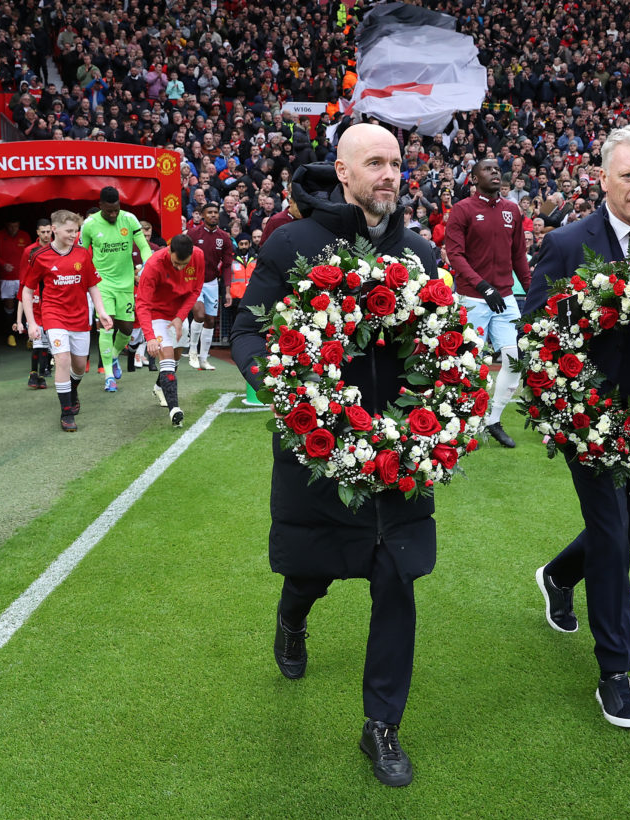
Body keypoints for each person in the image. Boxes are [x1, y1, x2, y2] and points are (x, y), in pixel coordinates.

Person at [230, 123, 438, 788]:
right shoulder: (292, 243)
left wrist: (446, 403)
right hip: (319, 450)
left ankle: (382, 726)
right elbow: (247, 327)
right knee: (313, 571)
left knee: (396, 580)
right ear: (342, 173)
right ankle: (293, 617)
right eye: (373, 162)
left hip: (401, 455)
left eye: (396, 162)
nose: (389, 173)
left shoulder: (421, 252)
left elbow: (440, 343)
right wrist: (282, 391)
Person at [522, 124, 630, 730]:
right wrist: (570, 399)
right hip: (586, 414)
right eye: (629, 175)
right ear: (602, 178)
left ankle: (558, 574)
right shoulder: (569, 241)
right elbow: (534, 325)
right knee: (611, 530)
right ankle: (615, 673)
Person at [443, 157, 530, 448]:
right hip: (473, 298)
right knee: (468, 364)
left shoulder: (512, 210)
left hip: (505, 298)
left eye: (497, 169)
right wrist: (482, 285)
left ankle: (493, 420)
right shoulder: (462, 209)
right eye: (488, 169)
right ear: (473, 178)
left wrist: (531, 291)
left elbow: (519, 256)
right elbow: (455, 255)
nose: (495, 172)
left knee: (514, 359)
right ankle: (463, 421)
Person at [22, 210, 113, 431]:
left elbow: (92, 285)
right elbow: (27, 290)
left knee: (79, 366)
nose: (74, 235)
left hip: (80, 316)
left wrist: (101, 311)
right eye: (69, 231)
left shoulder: (83, 254)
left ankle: (72, 389)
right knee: (62, 360)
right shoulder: (39, 256)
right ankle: (66, 412)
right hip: (53, 315)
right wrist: (32, 322)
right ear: (54, 229)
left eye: (76, 231)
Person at [79, 187, 152, 391]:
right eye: (109, 211)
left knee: (127, 330)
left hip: (126, 283)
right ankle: (109, 377)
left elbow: (144, 246)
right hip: (102, 283)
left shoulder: (129, 219)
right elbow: (82, 254)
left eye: (116, 210)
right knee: (106, 325)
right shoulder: (90, 225)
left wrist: (147, 265)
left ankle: (112, 356)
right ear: (100, 206)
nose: (113, 214)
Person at [135, 233, 205, 427]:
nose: (180, 268)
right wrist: (149, 337)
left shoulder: (199, 256)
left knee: (174, 358)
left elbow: (195, 290)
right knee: (165, 355)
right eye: (176, 264)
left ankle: (159, 387)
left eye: (184, 264)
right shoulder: (153, 264)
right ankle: (175, 409)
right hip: (157, 313)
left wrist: (180, 317)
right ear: (169, 251)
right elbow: (142, 303)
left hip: (177, 314)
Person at [185, 201, 232, 371]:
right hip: (194, 281)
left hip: (212, 282)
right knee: (199, 314)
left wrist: (227, 290)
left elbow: (227, 265)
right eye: (210, 212)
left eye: (215, 212)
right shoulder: (192, 234)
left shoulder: (224, 237)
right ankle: (192, 351)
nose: (213, 215)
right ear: (203, 216)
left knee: (211, 320)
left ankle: (204, 358)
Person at [14, 218, 54, 389]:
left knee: (48, 343)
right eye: (42, 232)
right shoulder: (29, 251)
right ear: (37, 232)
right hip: (36, 298)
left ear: (52, 230)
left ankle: (45, 370)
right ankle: (36, 374)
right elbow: (24, 283)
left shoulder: (57, 248)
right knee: (40, 341)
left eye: (48, 231)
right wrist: (19, 320)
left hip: (53, 300)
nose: (46, 235)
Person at [0, 218, 32, 346]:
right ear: (6, 225)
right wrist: (3, 264)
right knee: (10, 306)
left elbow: (30, 254)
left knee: (25, 305)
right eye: (11, 226)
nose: (13, 229)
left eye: (16, 226)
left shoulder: (25, 236)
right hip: (6, 278)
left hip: (23, 277)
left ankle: (27, 335)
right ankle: (10, 334)